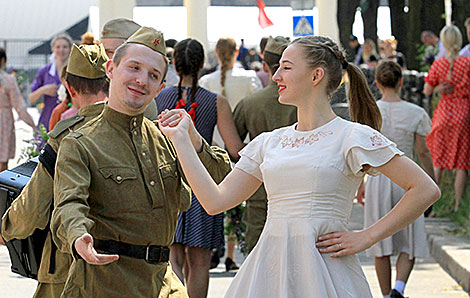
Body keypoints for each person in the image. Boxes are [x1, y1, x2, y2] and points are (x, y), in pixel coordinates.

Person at [158, 35, 440, 297]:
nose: (276, 76)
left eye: (286, 67)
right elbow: (214, 201)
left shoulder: (352, 136)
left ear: (316, 75)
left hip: (328, 273)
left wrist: (367, 237)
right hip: (267, 272)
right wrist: (183, 140)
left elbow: (425, 189)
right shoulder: (270, 142)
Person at [51, 27, 231, 297]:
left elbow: (225, 180)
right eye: (134, 67)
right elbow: (68, 204)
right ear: (111, 68)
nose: (141, 80)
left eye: (153, 75)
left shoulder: (168, 139)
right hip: (105, 284)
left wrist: (193, 139)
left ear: (160, 87)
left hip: (162, 283)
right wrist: (79, 236)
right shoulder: (80, 143)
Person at [2, 43, 109, 298]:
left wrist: (6, 227)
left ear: (69, 88)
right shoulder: (137, 130)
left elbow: (31, 209)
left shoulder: (66, 136)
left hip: (68, 269)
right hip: (129, 270)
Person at [156, 38, 242, 298]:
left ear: (173, 63)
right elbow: (235, 148)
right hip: (205, 184)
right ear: (203, 64)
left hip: (169, 183)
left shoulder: (160, 98)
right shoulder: (216, 101)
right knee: (200, 262)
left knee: (173, 260)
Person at [358, 61, 434, 298]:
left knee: (380, 241)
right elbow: (422, 151)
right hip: (409, 179)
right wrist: (430, 180)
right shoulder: (416, 113)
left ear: (378, 83)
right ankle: (398, 288)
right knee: (409, 238)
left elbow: (362, 154)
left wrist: (360, 185)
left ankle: (385, 295)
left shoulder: (370, 112)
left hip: (378, 179)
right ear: (401, 81)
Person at [199, 36, 263, 269]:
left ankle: (216, 247)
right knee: (239, 206)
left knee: (215, 201)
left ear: (216, 52)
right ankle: (232, 255)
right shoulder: (250, 78)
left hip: (213, 150)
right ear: (237, 52)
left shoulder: (206, 81)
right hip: (245, 149)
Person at [232, 36, 297, 253]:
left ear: (266, 65)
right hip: (297, 196)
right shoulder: (303, 105)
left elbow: (234, 150)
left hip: (258, 195)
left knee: (258, 266)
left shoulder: (249, 104)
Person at [424, 25, 470, 212]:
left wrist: (437, 89)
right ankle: (459, 205)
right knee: (462, 163)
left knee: (438, 161)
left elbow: (427, 90)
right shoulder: (467, 63)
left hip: (443, 113)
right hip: (462, 113)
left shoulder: (438, 65)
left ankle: (433, 202)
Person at [99, 17, 159, 121]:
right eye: (103, 52)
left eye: (110, 52)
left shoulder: (137, 95)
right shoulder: (104, 85)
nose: (104, 58)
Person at [0, 47, 36, 172]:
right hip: (3, 121)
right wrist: (33, 125)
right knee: (2, 162)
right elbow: (19, 106)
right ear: (3, 61)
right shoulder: (8, 80)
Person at [29, 33, 72, 131]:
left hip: (68, 119)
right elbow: (31, 99)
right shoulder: (44, 72)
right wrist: (43, 90)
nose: (61, 50)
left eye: (65, 47)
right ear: (53, 49)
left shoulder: (75, 71)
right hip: (47, 119)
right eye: (58, 47)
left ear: (70, 49)